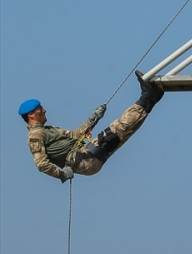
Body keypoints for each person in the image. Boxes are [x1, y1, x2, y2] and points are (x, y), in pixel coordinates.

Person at [19, 72, 164, 182]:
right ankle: (145, 96)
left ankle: (151, 100)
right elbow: (41, 163)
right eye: (40, 109)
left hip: (84, 157)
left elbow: (76, 135)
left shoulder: (49, 129)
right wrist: (61, 174)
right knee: (118, 128)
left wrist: (93, 118)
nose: (44, 110)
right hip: (81, 160)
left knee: (123, 133)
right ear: (31, 115)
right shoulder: (35, 135)